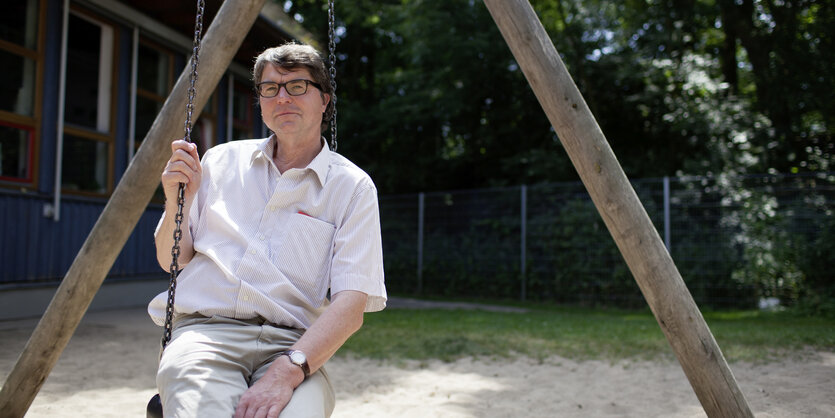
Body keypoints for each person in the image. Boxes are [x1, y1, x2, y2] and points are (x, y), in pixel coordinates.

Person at [148, 42, 387, 418]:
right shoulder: (221, 160)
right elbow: (171, 259)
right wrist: (177, 199)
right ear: (260, 100)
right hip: (207, 335)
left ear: (324, 100)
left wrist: (288, 370)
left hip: (293, 345)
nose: (282, 97)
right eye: (270, 88)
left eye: (297, 86)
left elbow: (352, 304)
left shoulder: (352, 187)